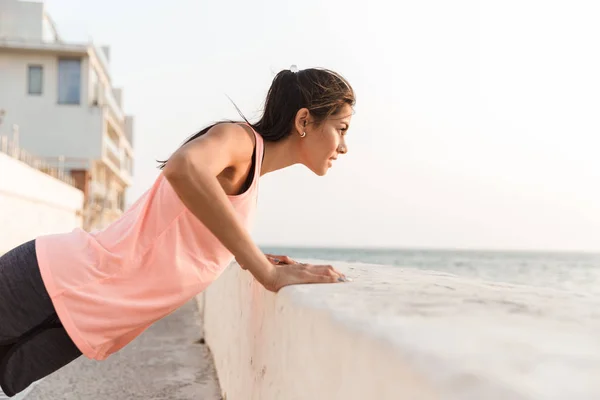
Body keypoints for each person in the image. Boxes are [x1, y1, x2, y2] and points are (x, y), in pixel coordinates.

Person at [0, 66, 355, 397]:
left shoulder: (250, 170)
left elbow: (188, 228)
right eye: (341, 129)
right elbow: (183, 167)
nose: (344, 146)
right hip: (55, 285)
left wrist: (251, 255)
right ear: (304, 119)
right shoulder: (240, 140)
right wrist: (266, 272)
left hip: (79, 313)